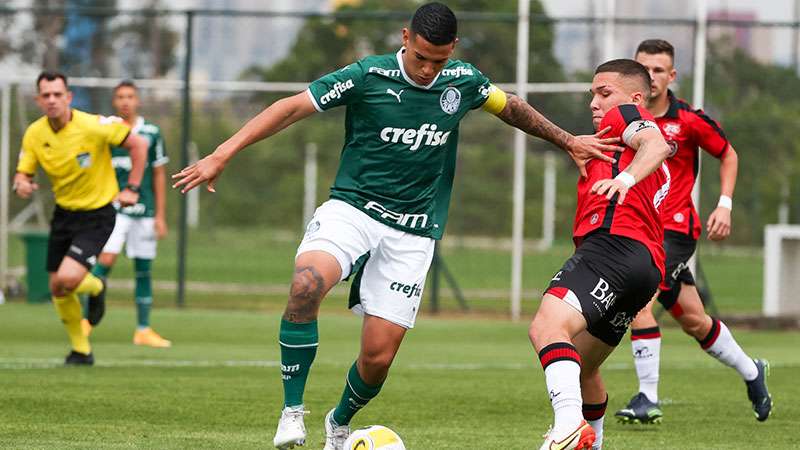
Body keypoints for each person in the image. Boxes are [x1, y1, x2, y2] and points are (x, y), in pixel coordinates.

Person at [172, 3, 622, 449]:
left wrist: (567, 140)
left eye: (438, 60)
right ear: (405, 38)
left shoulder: (462, 80)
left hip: (413, 230)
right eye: (421, 57)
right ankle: (292, 412)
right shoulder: (368, 75)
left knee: (377, 359)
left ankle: (339, 421)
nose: (427, 69)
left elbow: (512, 108)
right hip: (353, 209)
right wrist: (221, 153)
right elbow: (290, 108)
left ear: (454, 51)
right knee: (306, 283)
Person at [613, 39, 772, 425]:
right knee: (695, 320)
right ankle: (753, 371)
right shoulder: (624, 118)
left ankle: (647, 397)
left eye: (658, 69)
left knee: (640, 301)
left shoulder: (687, 121)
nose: (650, 76)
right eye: (643, 68)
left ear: (671, 76)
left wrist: (725, 204)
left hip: (675, 231)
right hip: (641, 228)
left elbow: (729, 153)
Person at [530, 59, 672, 450]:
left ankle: (567, 426)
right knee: (582, 366)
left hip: (614, 247)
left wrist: (622, 179)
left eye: (604, 92)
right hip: (644, 267)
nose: (595, 102)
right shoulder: (610, 143)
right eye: (592, 93)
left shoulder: (626, 117)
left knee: (546, 328)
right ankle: (592, 443)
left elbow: (655, 143)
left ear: (636, 98)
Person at [13, 71, 147, 366]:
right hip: (64, 214)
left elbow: (139, 145)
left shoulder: (93, 125)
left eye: (57, 94)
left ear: (68, 97)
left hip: (97, 214)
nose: (52, 100)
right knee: (57, 288)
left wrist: (132, 188)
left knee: (67, 279)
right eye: (45, 95)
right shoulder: (36, 133)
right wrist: (22, 182)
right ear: (38, 100)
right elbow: (24, 171)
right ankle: (81, 351)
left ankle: (95, 286)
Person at [80, 80, 172, 348]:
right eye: (120, 96)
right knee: (104, 261)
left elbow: (158, 174)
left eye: (130, 96)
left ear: (138, 100)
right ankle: (86, 321)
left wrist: (160, 216)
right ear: (113, 101)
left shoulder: (151, 133)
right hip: (113, 210)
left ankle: (143, 329)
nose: (125, 101)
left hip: (144, 212)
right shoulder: (107, 131)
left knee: (143, 270)